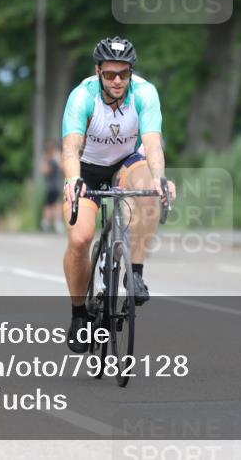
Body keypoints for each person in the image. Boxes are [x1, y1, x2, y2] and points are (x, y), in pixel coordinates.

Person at [60, 36, 176, 353]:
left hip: (126, 161)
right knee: (80, 238)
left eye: (123, 74)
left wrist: (160, 178)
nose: (116, 81)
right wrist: (73, 181)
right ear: (98, 71)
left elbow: (152, 142)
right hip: (88, 167)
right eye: (110, 74)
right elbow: (71, 147)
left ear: (130, 73)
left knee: (150, 192)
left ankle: (135, 273)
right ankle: (79, 314)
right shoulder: (82, 96)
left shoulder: (145, 93)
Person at [39, 142, 63, 233]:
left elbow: (46, 171)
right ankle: (48, 223)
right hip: (52, 186)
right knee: (51, 204)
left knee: (54, 204)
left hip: (55, 186)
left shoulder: (55, 160)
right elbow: (45, 171)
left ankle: (53, 223)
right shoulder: (51, 160)